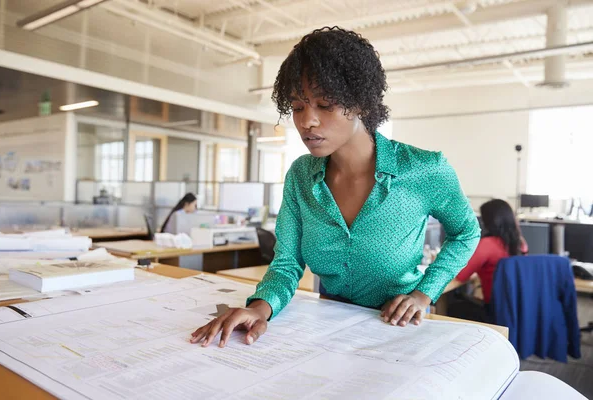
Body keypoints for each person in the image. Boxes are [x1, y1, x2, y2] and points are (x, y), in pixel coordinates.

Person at [191, 26, 481, 348]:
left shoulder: (423, 170)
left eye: (325, 105)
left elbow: (466, 233)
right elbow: (287, 264)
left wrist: (424, 293)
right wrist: (259, 308)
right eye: (298, 107)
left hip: (400, 331)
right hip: (328, 327)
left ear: (359, 104)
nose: (307, 121)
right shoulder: (301, 176)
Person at [450, 199, 528, 321]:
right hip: (517, 309)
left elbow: (461, 275)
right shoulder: (521, 244)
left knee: (453, 305)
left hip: (494, 311)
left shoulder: (488, 244)